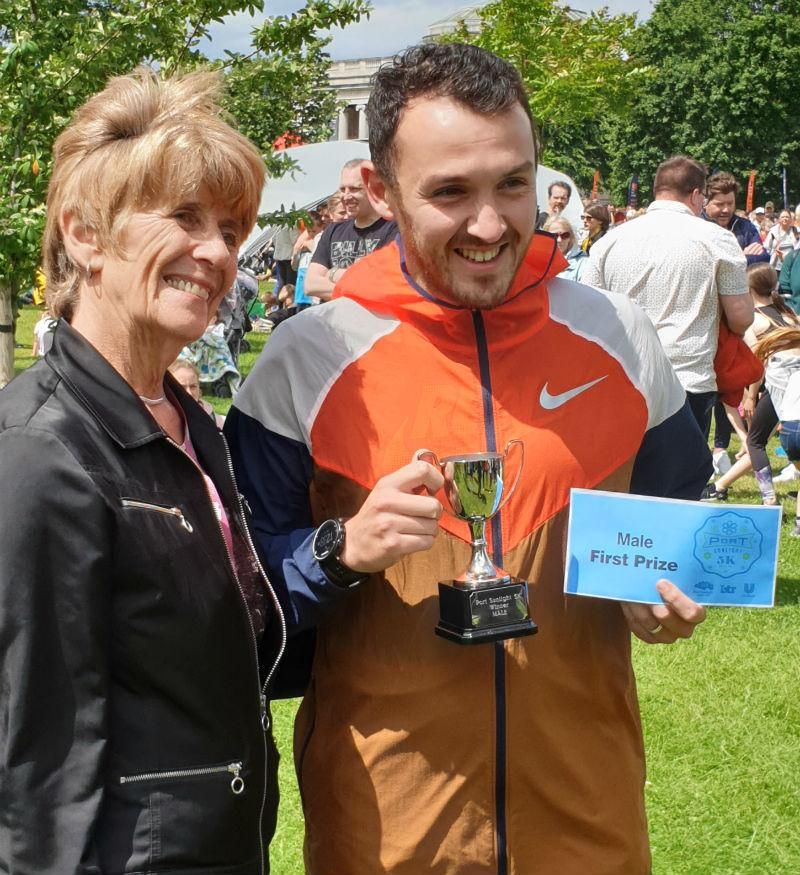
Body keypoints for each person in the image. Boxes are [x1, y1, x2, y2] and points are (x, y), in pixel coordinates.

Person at [225, 42, 709, 875]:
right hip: (389, 832)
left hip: (586, 818)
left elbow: (678, 519)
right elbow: (241, 600)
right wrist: (339, 553)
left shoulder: (620, 337)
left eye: (512, 183)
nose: (491, 225)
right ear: (379, 191)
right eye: (451, 192)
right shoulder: (306, 359)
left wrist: (668, 591)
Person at [0, 68, 286, 874]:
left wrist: (340, 553)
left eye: (232, 229)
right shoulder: (42, 452)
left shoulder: (190, 423)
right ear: (85, 234)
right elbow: (36, 766)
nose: (216, 252)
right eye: (185, 217)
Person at [583, 156, 753, 439]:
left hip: (623, 376)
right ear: (697, 194)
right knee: (682, 480)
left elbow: (589, 312)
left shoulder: (609, 242)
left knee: (623, 480)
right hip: (687, 381)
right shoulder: (717, 239)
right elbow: (741, 318)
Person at [702, 263, 799, 504]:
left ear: (748, 288)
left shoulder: (755, 320)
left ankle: (768, 500)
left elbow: (758, 364)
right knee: (758, 438)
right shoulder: (789, 314)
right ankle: (721, 486)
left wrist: (750, 396)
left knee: (755, 441)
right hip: (793, 384)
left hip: (778, 386)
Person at [303, 158, 397, 301]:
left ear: (374, 190)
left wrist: (332, 273)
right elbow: (311, 285)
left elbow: (381, 286)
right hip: (332, 321)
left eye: (354, 189)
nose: (346, 196)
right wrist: (357, 292)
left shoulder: (394, 229)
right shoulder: (333, 231)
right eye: (342, 189)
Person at [703, 172, 769, 265]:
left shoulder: (746, 227)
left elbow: (763, 258)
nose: (726, 210)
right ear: (705, 203)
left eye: (730, 204)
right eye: (719, 204)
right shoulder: (696, 227)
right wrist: (741, 257)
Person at [544, 215, 586, 281]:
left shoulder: (582, 263)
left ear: (570, 238)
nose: (559, 240)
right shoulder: (537, 260)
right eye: (554, 235)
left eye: (565, 235)